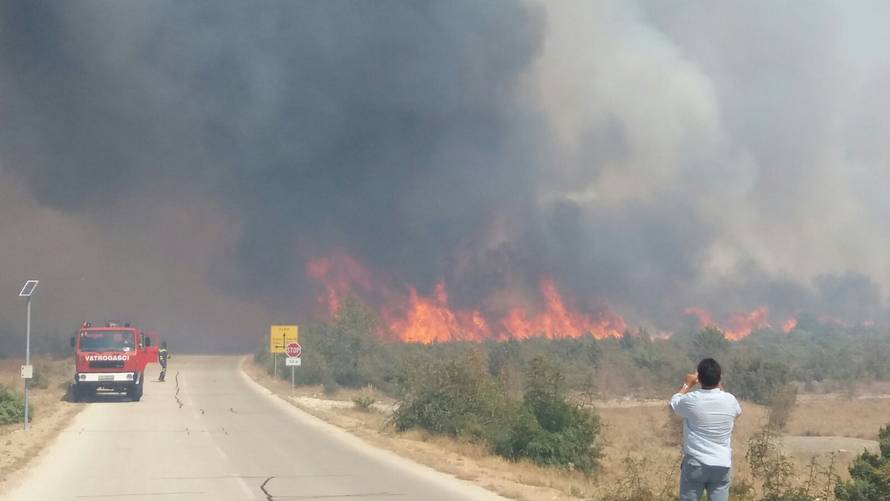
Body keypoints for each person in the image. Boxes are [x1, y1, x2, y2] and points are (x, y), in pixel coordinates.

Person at [670, 358, 742, 501]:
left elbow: (673, 404)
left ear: (699, 379)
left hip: (696, 463)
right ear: (720, 377)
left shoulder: (691, 400)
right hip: (722, 464)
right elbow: (737, 411)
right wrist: (718, 383)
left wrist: (687, 384)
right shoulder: (731, 400)